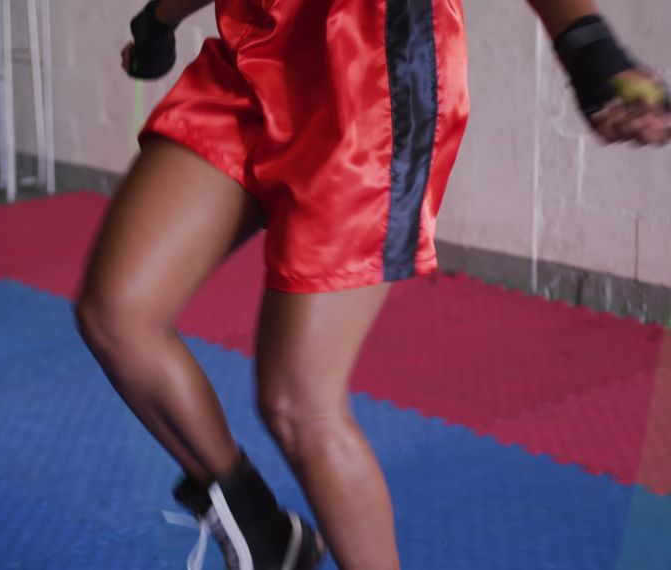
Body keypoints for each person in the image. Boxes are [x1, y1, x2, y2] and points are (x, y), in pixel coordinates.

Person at [75, 0, 669, 568]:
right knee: (116, 314)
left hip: (375, 69)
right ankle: (261, 532)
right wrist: (159, 20)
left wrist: (586, 43)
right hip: (254, 49)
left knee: (296, 403)